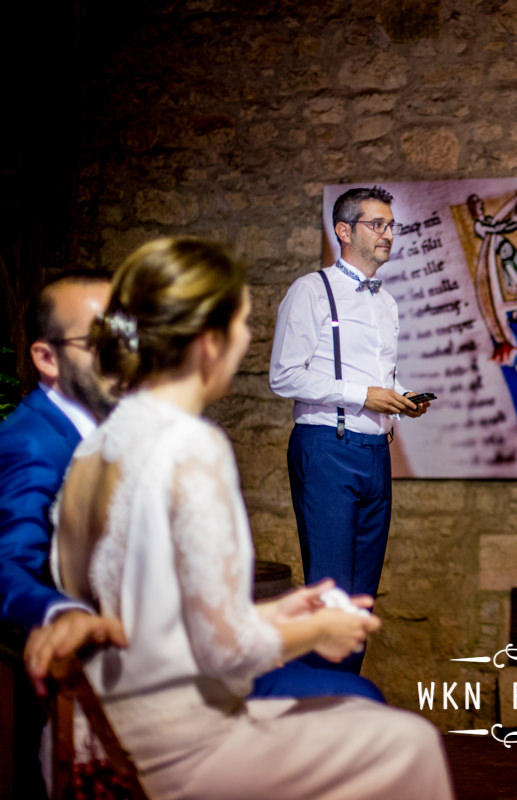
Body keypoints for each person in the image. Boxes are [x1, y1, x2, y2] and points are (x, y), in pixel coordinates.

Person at [52, 237, 454, 799]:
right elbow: (224, 653)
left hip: (105, 712)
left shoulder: (99, 444)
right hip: (176, 736)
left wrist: (284, 608)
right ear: (206, 342)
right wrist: (313, 629)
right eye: (240, 325)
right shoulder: (192, 446)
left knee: (367, 712)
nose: (245, 342)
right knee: (409, 742)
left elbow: (158, 608)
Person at [270, 185, 429, 674]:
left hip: (375, 450)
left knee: (361, 595)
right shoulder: (310, 290)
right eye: (376, 225)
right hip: (327, 448)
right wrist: (363, 395)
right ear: (344, 231)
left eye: (390, 225)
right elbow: (284, 375)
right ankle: (317, 711)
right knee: (332, 589)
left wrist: (399, 397)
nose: (387, 234)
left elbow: (380, 376)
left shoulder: (388, 304)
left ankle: (343, 703)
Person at [0, 272, 126, 798]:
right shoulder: (31, 441)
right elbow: (9, 563)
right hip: (75, 677)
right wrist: (60, 614)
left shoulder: (108, 426)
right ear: (47, 359)